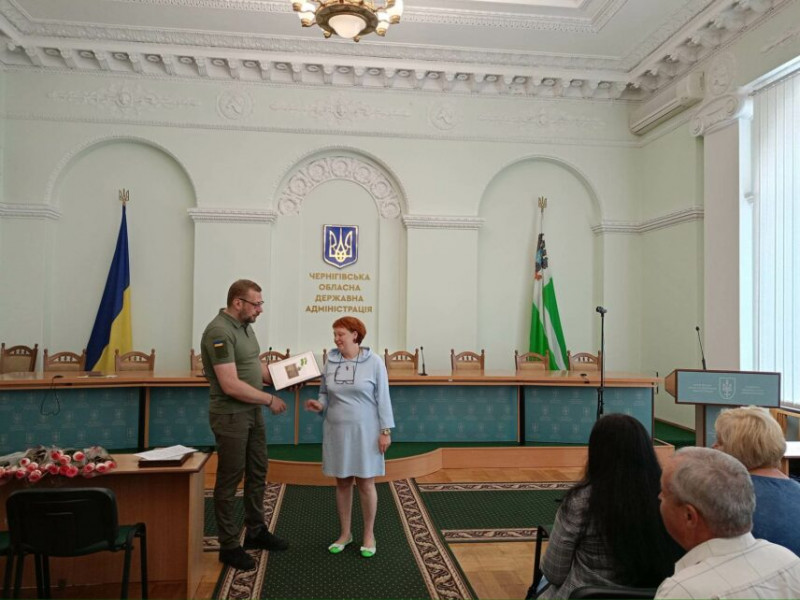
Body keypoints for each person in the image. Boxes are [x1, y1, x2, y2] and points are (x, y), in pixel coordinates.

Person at [537, 414, 681, 599]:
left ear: (597, 452)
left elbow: (553, 573)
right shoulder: (667, 498)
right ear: (646, 450)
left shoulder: (580, 502)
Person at [202, 279, 289, 572]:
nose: (260, 309)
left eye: (261, 303)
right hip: (231, 415)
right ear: (238, 303)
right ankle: (228, 545)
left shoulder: (245, 327)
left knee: (257, 471)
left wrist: (285, 378)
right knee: (229, 479)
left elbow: (254, 367)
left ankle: (255, 530)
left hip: (251, 413)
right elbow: (229, 384)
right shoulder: (219, 331)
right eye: (256, 304)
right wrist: (269, 399)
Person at [656, 446, 800, 599]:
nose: (659, 497)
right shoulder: (789, 562)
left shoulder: (683, 591)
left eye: (664, 493)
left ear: (689, 516)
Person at [304, 316, 394, 558]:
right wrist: (319, 404)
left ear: (355, 335)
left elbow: (383, 398)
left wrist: (385, 431)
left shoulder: (374, 362)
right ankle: (345, 534)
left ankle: (368, 534)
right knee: (342, 482)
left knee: (365, 483)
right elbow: (324, 393)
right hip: (336, 430)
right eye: (334, 334)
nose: (336, 339)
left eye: (340, 334)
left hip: (366, 431)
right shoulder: (331, 361)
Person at [714, 405, 800, 555]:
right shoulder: (795, 491)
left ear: (737, 447)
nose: (713, 447)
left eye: (719, 442)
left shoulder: (723, 499)